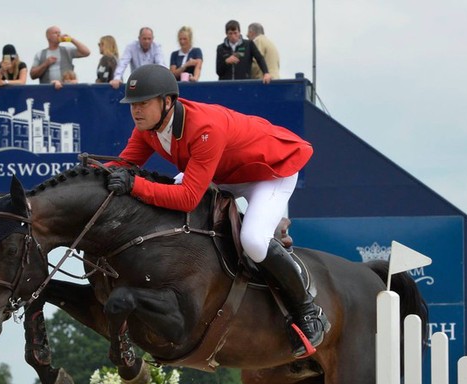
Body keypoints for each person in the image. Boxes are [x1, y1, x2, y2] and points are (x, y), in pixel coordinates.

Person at [105, 65, 329, 357]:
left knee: (253, 240)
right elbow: (123, 164)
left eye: (143, 103)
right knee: (168, 213)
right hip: (224, 173)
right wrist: (85, 175)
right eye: (133, 104)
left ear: (168, 102)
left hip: (270, 172)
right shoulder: (147, 129)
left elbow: (186, 198)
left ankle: (309, 312)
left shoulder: (203, 127)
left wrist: (134, 186)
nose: (136, 111)